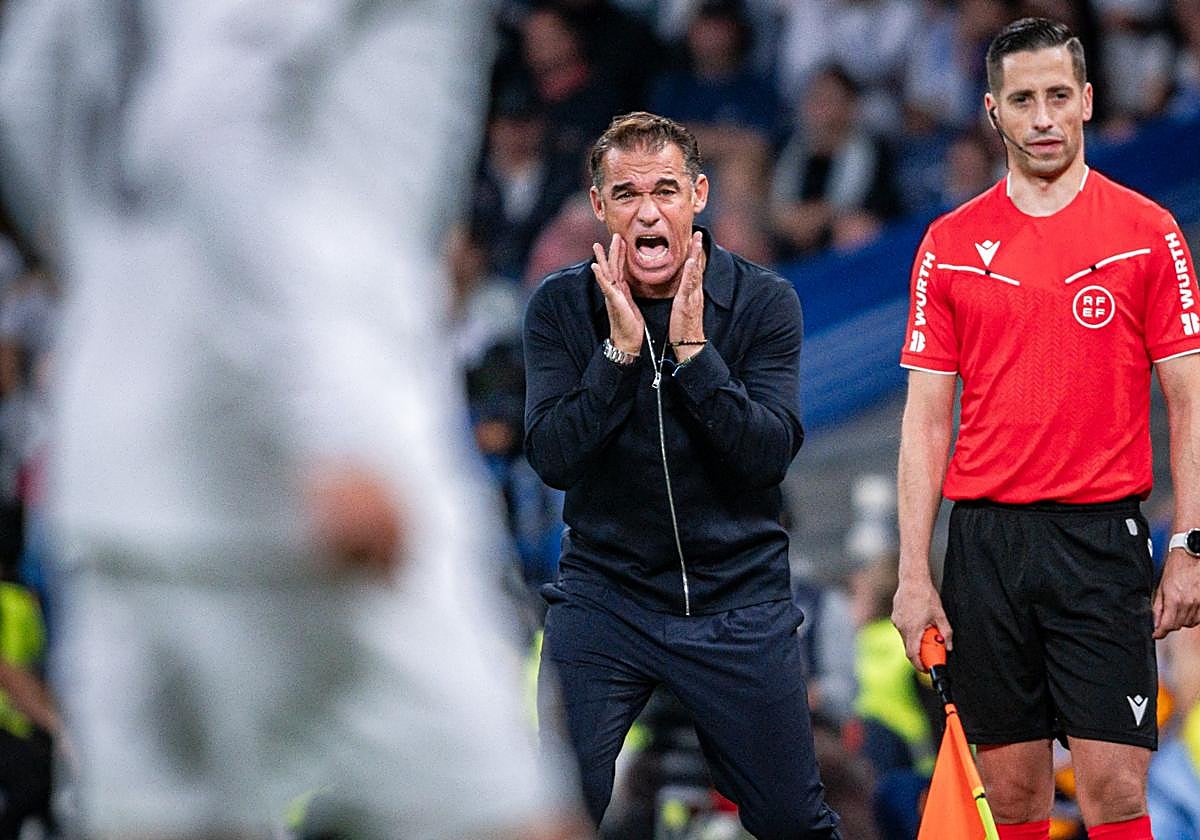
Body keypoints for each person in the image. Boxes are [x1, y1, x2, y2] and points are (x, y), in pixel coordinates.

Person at [0, 2, 590, 838]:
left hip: (115, 466)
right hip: (297, 461)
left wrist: (124, 297)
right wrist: (323, 426)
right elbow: (209, 119)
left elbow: (27, 93)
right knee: (506, 816)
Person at [892, 17, 1200, 840]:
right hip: (986, 547)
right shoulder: (948, 245)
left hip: (1102, 544)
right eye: (1021, 99)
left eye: (1057, 96)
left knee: (1116, 792)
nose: (1041, 117)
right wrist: (913, 571)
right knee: (1017, 797)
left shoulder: (1148, 234)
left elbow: (1191, 400)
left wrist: (1189, 545)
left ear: (1088, 101)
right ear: (992, 111)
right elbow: (926, 418)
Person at [523, 111, 842, 839]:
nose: (648, 211)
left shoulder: (762, 302)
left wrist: (697, 359)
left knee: (794, 820)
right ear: (601, 208)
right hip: (607, 595)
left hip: (737, 596)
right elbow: (551, 456)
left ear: (698, 196)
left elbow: (767, 455)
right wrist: (618, 359)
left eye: (665, 190)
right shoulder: (562, 308)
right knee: (555, 807)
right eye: (627, 195)